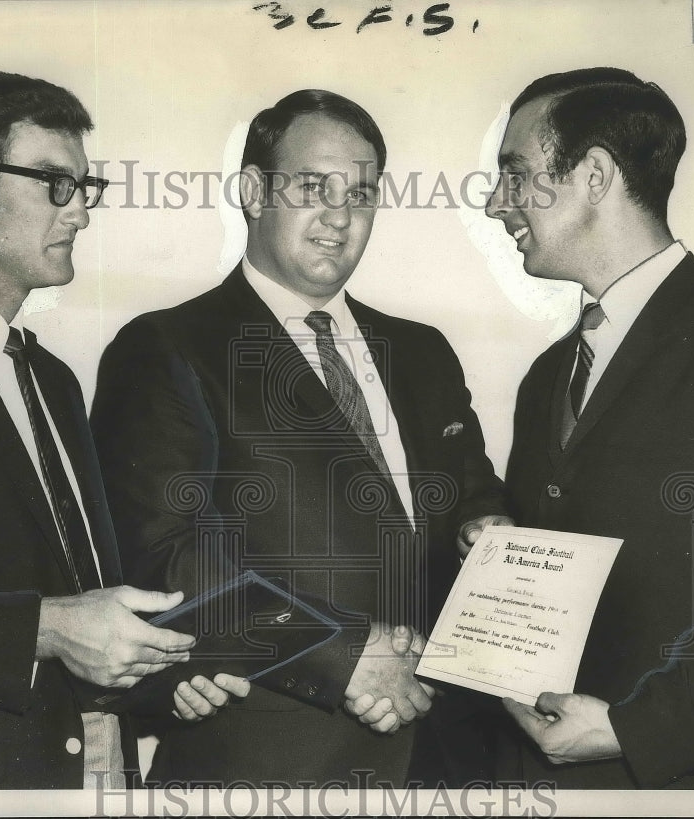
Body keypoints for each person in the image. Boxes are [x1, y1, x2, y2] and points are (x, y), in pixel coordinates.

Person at [0, 72, 248, 790]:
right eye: (56, 184)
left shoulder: (52, 378)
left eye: (86, 189)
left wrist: (153, 677)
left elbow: (80, 599)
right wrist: (49, 629)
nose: (80, 215)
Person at [91, 89, 509, 787]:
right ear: (253, 191)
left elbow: (469, 492)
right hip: (269, 766)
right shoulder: (168, 346)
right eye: (313, 187)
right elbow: (169, 557)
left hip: (444, 762)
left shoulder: (424, 350)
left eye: (362, 193)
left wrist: (484, 524)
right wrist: (342, 653)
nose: (339, 218)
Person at [467, 67, 694, 788]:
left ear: (595, 175)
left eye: (514, 174)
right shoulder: (549, 374)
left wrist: (633, 730)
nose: (493, 202)